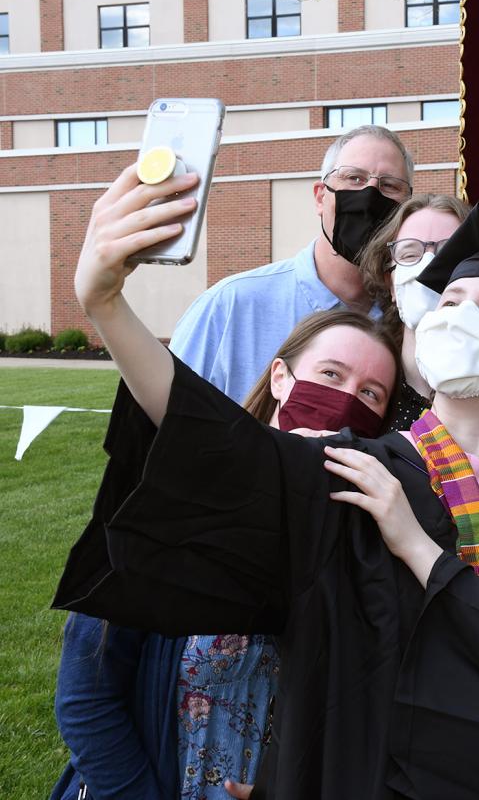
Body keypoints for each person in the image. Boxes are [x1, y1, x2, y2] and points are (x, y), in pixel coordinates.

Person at [53, 165, 479, 798]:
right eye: (451, 303)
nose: (458, 318)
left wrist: (421, 550)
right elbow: (214, 443)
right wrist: (106, 307)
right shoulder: (354, 472)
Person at [50, 310, 401, 800]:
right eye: (330, 374)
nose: (344, 401)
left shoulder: (368, 539)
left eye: (370, 394)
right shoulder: (183, 491)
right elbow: (87, 697)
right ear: (281, 377)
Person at [170, 124, 414, 405]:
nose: (370, 196)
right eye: (354, 178)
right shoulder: (230, 306)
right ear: (321, 197)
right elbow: (163, 421)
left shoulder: (412, 316)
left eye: (389, 185)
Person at [360, 193, 471, 431]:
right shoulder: (366, 385)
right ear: (390, 283)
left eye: (448, 254)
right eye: (409, 255)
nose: (429, 265)